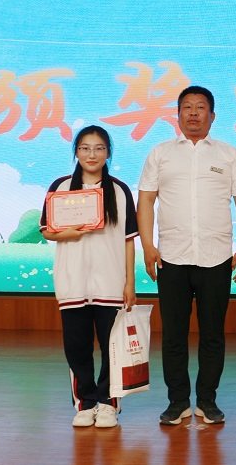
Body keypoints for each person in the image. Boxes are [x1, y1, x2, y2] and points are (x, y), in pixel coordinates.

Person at [137, 85, 236, 425]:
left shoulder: (229, 155)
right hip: (171, 257)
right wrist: (148, 245)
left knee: (213, 335)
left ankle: (207, 400)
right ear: (177, 115)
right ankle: (177, 402)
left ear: (212, 116)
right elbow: (145, 200)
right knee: (173, 335)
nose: (193, 113)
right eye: (186, 107)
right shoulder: (160, 153)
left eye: (200, 107)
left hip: (216, 257)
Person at [40, 125, 138, 428]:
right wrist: (68, 234)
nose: (91, 154)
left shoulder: (119, 190)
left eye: (98, 148)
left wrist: (130, 282)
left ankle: (108, 404)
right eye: (84, 148)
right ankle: (85, 403)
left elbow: (128, 240)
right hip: (73, 280)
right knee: (77, 346)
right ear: (76, 152)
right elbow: (47, 231)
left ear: (108, 153)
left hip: (110, 281)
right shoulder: (60, 186)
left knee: (112, 348)